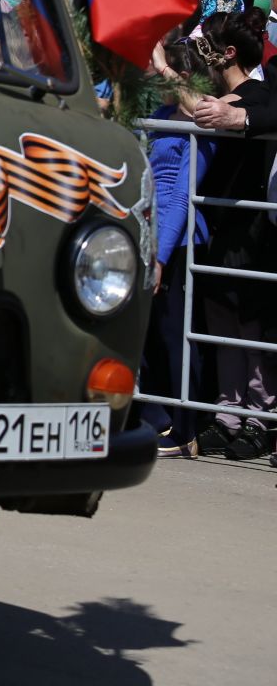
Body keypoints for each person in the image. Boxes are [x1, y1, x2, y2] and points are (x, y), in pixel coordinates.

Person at [182, 9, 277, 459]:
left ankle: (261, 417)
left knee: (249, 320)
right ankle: (227, 412)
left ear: (229, 53)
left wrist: (234, 117)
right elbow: (198, 108)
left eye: (206, 46)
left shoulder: (260, 88)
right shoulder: (214, 93)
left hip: (252, 225)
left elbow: (256, 110)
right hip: (220, 221)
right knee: (220, 317)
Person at [139, 38, 213, 452]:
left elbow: (183, 197)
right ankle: (158, 417)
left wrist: (161, 257)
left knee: (174, 337)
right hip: (146, 231)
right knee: (148, 335)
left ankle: (189, 429)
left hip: (176, 239)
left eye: (163, 69)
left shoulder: (201, 120)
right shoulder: (160, 113)